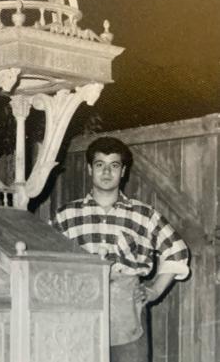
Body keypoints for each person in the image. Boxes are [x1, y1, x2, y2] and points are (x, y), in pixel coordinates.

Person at [50, 137, 190, 362]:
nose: (106, 172)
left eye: (114, 165)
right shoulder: (66, 215)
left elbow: (176, 250)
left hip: (127, 313)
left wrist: (155, 290)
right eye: (99, 165)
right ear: (89, 169)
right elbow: (47, 261)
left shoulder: (143, 214)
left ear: (123, 171)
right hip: (79, 312)